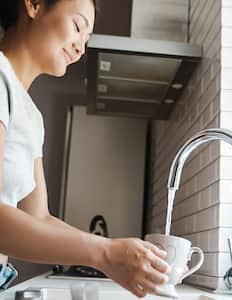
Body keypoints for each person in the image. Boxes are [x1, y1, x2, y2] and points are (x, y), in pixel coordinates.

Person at [0, 0, 170, 296]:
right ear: (34, 4)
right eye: (78, 26)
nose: (80, 47)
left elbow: (39, 217)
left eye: (86, 40)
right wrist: (103, 252)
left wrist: (111, 256)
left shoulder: (32, 116)